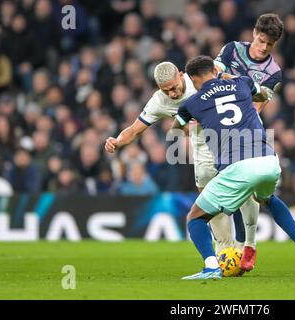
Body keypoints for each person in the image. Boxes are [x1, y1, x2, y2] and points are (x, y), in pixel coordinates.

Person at [173, 56, 295, 280]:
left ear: (194, 79)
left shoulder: (192, 102)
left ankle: (212, 266)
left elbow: (177, 126)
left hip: (237, 165)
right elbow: (262, 94)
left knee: (195, 217)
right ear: (215, 70)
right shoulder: (242, 82)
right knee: (268, 199)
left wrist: (194, 123)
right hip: (269, 160)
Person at [104, 61, 248, 255]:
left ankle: (245, 245)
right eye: (166, 91)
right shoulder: (158, 102)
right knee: (209, 196)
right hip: (202, 148)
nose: (172, 94)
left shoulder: (197, 76)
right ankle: (225, 249)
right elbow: (134, 129)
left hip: (228, 137)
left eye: (174, 87)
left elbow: (225, 71)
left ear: (181, 75)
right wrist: (118, 141)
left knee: (241, 192)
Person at [211, 13, 285, 271]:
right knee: (219, 185)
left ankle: (249, 246)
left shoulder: (273, 72)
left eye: (270, 44)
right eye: (262, 40)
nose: (264, 47)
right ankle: (225, 247)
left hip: (248, 128)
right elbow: (213, 77)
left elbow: (258, 104)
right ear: (254, 32)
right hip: (216, 125)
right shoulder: (231, 50)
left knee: (251, 190)